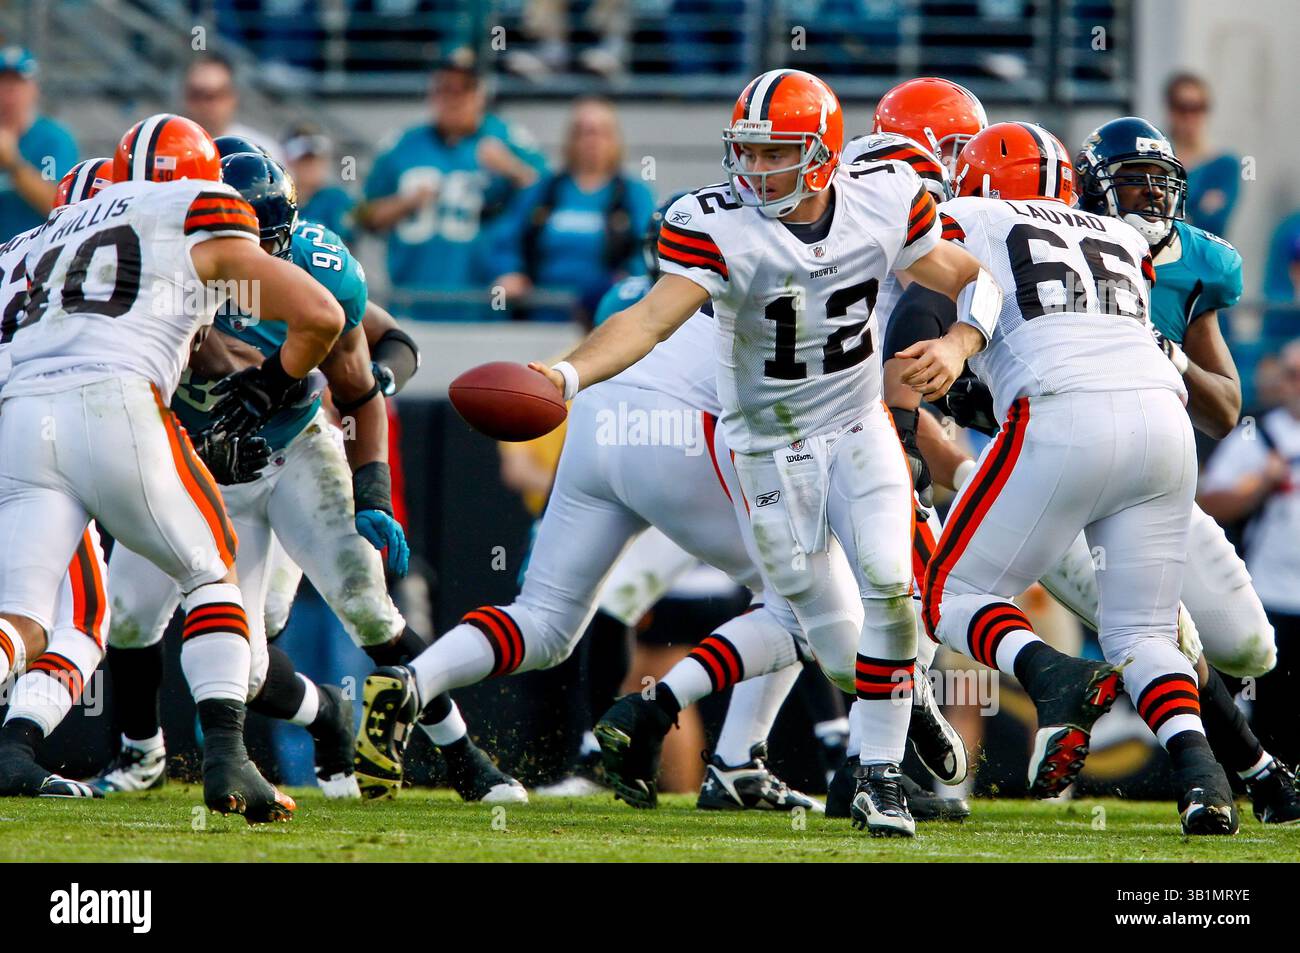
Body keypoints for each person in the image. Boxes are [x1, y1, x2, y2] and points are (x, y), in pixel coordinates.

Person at [525, 68, 997, 837]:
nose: (753, 170)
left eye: (774, 153)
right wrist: (568, 372)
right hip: (768, 452)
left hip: (855, 427)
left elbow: (976, 278)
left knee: (888, 583)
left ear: (820, 156)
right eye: (746, 152)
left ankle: (879, 776)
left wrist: (960, 339)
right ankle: (902, 712)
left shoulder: (882, 197)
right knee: (833, 639)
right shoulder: (718, 223)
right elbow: (647, 323)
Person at [91, 152, 525, 805]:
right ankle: (148, 752)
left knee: (366, 603)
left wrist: (373, 492)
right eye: (226, 235)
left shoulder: (316, 268)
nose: (244, 256)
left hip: (294, 450)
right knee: (155, 629)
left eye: (256, 240)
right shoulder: (161, 267)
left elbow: (360, 384)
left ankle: (464, 756)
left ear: (281, 235)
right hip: (194, 467)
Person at [0, 113, 344, 821]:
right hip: (113, 400)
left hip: (21, 419)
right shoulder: (192, 205)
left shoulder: (27, 239)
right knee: (210, 569)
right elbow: (320, 314)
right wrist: (273, 381)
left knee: (24, 619)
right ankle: (228, 757)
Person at [905, 121, 1239, 835]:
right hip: (1164, 423)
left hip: (1062, 415)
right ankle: (1204, 778)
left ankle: (1053, 675)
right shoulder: (1114, 235)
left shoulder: (973, 214)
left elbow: (926, 267)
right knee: (1144, 629)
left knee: (948, 592)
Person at [356, 50, 545, 321]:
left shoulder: (509, 140)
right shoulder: (402, 145)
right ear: (432, 94)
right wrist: (405, 202)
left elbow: (551, 199)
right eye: (445, 89)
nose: (454, 99)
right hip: (412, 299)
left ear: (481, 95)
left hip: (484, 301)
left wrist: (512, 168)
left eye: (464, 90)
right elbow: (364, 216)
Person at [1200, 339, 1300, 769]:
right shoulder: (1260, 435)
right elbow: (1208, 503)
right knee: (1271, 706)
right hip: (1272, 594)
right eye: (1291, 374)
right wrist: (1260, 484)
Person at [488, 97, 654, 324]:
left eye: (601, 132)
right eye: (583, 132)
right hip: (541, 310)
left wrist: (628, 281)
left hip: (605, 317)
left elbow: (646, 246)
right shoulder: (543, 190)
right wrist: (510, 271)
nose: (592, 140)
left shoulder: (633, 194)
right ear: (571, 140)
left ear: (615, 140)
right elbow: (507, 239)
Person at [0, 47, 77, 241]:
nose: (9, 94)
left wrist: (14, 163)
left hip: (32, 259)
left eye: (17, 84)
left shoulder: (54, 139)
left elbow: (58, 205)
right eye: (3, 83)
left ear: (34, 89)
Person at [1165, 73, 1238, 239]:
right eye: (1182, 107)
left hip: (1206, 258)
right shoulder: (1157, 161)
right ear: (1170, 110)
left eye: (1198, 107)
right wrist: (1197, 205)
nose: (1190, 117)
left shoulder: (1225, 165)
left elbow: (1213, 224)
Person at [181, 53, 284, 163]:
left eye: (214, 96)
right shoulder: (169, 147)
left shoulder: (260, 151)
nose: (205, 105)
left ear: (232, 97)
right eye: (196, 95)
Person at [282, 123, 356, 246]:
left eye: (318, 158)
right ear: (290, 160)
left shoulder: (337, 199)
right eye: (306, 159)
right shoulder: (278, 201)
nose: (314, 165)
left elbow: (345, 248)